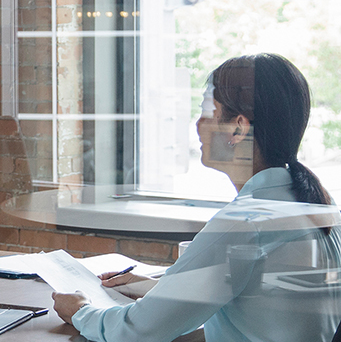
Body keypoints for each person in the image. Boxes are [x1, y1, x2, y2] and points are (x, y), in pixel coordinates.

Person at [52, 53, 341, 341]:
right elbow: (259, 296)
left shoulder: (246, 223)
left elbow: (136, 331)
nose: (197, 125)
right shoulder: (319, 206)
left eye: (206, 111)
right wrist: (159, 287)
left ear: (238, 128)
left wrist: (80, 310)